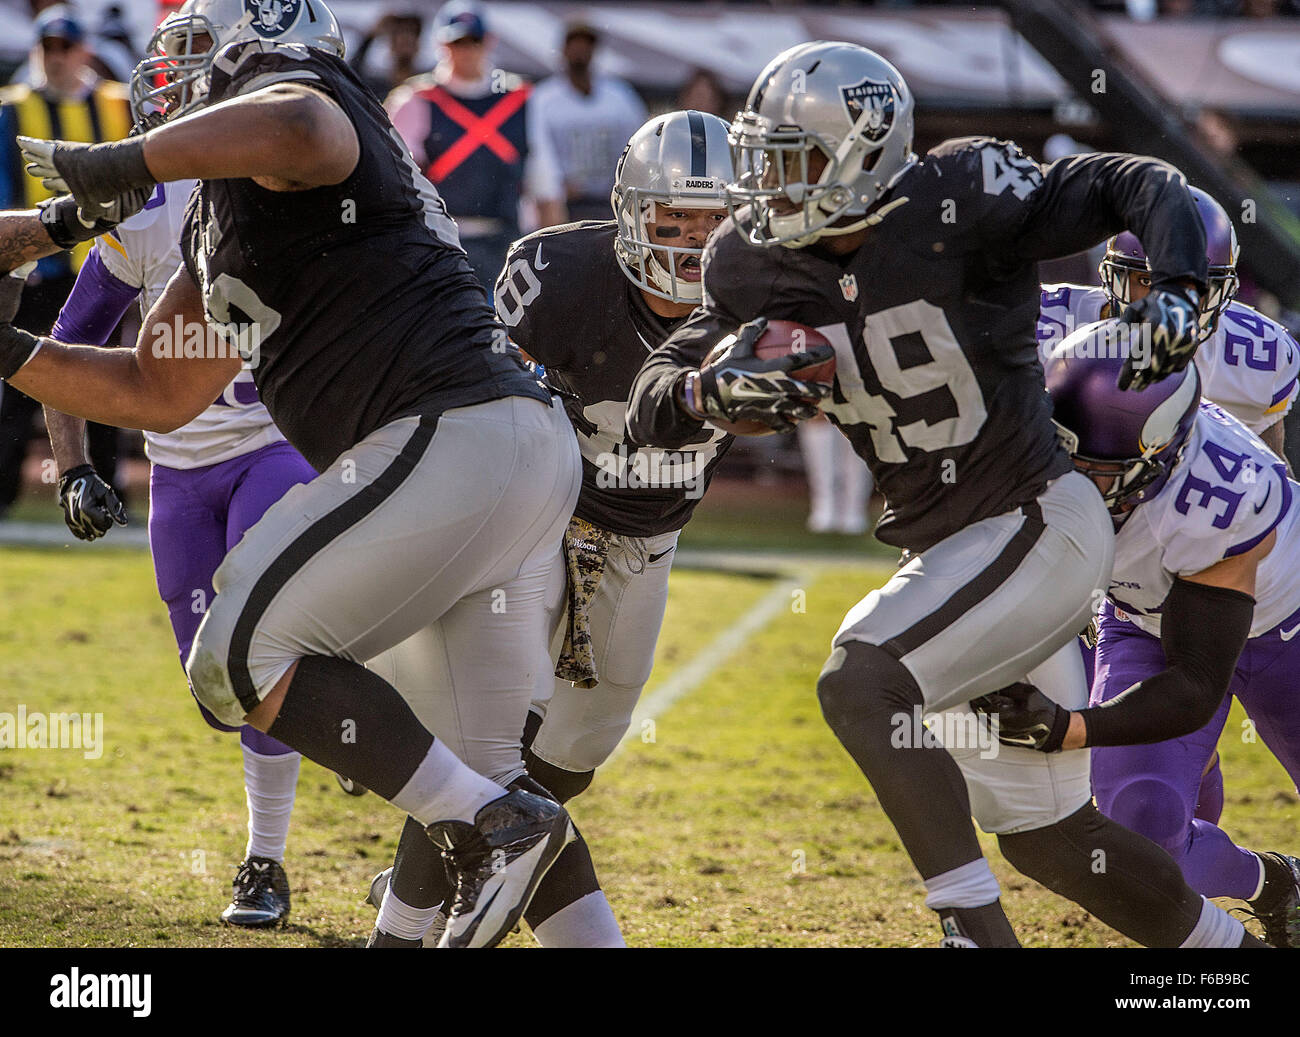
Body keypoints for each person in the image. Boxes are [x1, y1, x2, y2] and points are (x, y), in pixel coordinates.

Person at [626, 41, 1260, 948]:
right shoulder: (751, 263)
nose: (767, 187)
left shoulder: (962, 199)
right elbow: (658, 393)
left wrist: (1178, 287)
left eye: (791, 161)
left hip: (1040, 518)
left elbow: (1132, 180)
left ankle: (971, 930)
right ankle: (1223, 961)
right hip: (957, 555)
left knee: (861, 679)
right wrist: (702, 394)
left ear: (864, 149)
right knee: (1051, 838)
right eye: (761, 162)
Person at [1, 0, 582, 949]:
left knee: (234, 656)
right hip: (501, 459)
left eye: (204, 62)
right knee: (482, 766)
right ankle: (493, 837)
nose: (175, 84)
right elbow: (155, 387)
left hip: (452, 435)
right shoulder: (231, 211)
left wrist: (123, 164)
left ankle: (482, 826)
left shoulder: (311, 109)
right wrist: (13, 351)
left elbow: (296, 121)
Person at [365, 110, 734, 947]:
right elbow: (482, 402)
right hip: (539, 518)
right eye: (674, 219)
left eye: (714, 223)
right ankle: (405, 921)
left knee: (570, 758)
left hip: (645, 541)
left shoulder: (767, 287)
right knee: (487, 738)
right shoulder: (560, 271)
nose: (692, 243)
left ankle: (465, 851)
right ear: (631, 212)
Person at [43, 16, 317, 921]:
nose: (184, 91)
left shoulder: (292, 188)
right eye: (177, 74)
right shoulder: (145, 209)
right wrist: (78, 463)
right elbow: (70, 342)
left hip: (273, 445)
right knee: (217, 694)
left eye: (206, 77)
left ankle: (264, 862)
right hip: (179, 467)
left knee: (255, 648)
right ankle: (347, 705)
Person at [982, 330, 1300, 947]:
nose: (1070, 481)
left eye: (1097, 473)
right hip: (1142, 618)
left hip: (1284, 624)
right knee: (1140, 841)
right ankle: (1275, 884)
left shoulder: (1219, 499)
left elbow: (1195, 683)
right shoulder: (1027, 428)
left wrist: (1070, 726)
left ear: (1162, 458)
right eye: (1058, 455)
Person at [1038, 187, 1297, 464]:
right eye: (1148, 282)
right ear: (1112, 278)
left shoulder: (1259, 354)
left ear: (1224, 290)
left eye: (1192, 286)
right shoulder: (1043, 322)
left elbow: (1269, 475)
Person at [0, 4, 129, 517]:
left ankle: (108, 491)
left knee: (107, 384)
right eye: (47, 47)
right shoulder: (11, 108)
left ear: (83, 51)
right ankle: (4, 495)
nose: (55, 57)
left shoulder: (115, 106)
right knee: (20, 383)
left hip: (103, 273)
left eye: (65, 47)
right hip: (37, 274)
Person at [386, 0, 565, 290]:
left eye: (474, 41)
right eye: (457, 43)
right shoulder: (414, 99)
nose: (466, 51)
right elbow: (394, 185)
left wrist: (556, 260)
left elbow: (545, 185)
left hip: (505, 243)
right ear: (442, 45)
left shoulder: (520, 100)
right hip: (438, 242)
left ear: (488, 42)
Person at [529, 20, 646, 223]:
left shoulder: (620, 96)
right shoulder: (544, 98)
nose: (580, 52)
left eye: (586, 46)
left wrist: (627, 188)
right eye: (575, 46)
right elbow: (540, 154)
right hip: (565, 203)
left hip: (611, 201)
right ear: (563, 50)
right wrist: (553, 192)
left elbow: (639, 145)